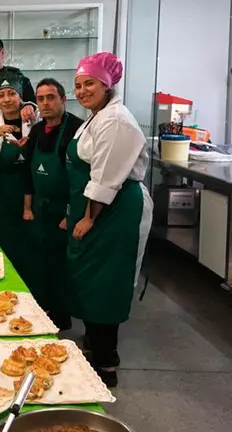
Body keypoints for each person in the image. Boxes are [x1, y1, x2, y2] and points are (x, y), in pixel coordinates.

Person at [67, 52, 152, 387]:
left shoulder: (116, 120)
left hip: (114, 210)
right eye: (78, 85)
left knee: (107, 283)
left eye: (90, 83)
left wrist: (88, 218)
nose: (83, 90)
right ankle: (93, 344)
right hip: (98, 207)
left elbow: (105, 179)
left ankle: (106, 363)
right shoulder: (96, 116)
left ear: (107, 84)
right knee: (91, 280)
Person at [21, 78, 84, 330]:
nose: (45, 103)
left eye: (51, 97)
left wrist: (71, 214)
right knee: (40, 259)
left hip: (65, 208)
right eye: (40, 99)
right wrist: (27, 207)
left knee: (63, 264)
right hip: (40, 206)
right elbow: (28, 171)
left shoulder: (76, 130)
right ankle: (43, 308)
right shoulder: (37, 131)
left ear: (63, 100)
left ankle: (62, 314)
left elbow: (80, 177)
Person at [0, 71, 35, 287]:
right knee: (4, 244)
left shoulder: (34, 119)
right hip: (2, 192)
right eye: (1, 95)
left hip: (31, 192)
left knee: (30, 246)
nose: (6, 99)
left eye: (12, 94)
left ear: (21, 97)